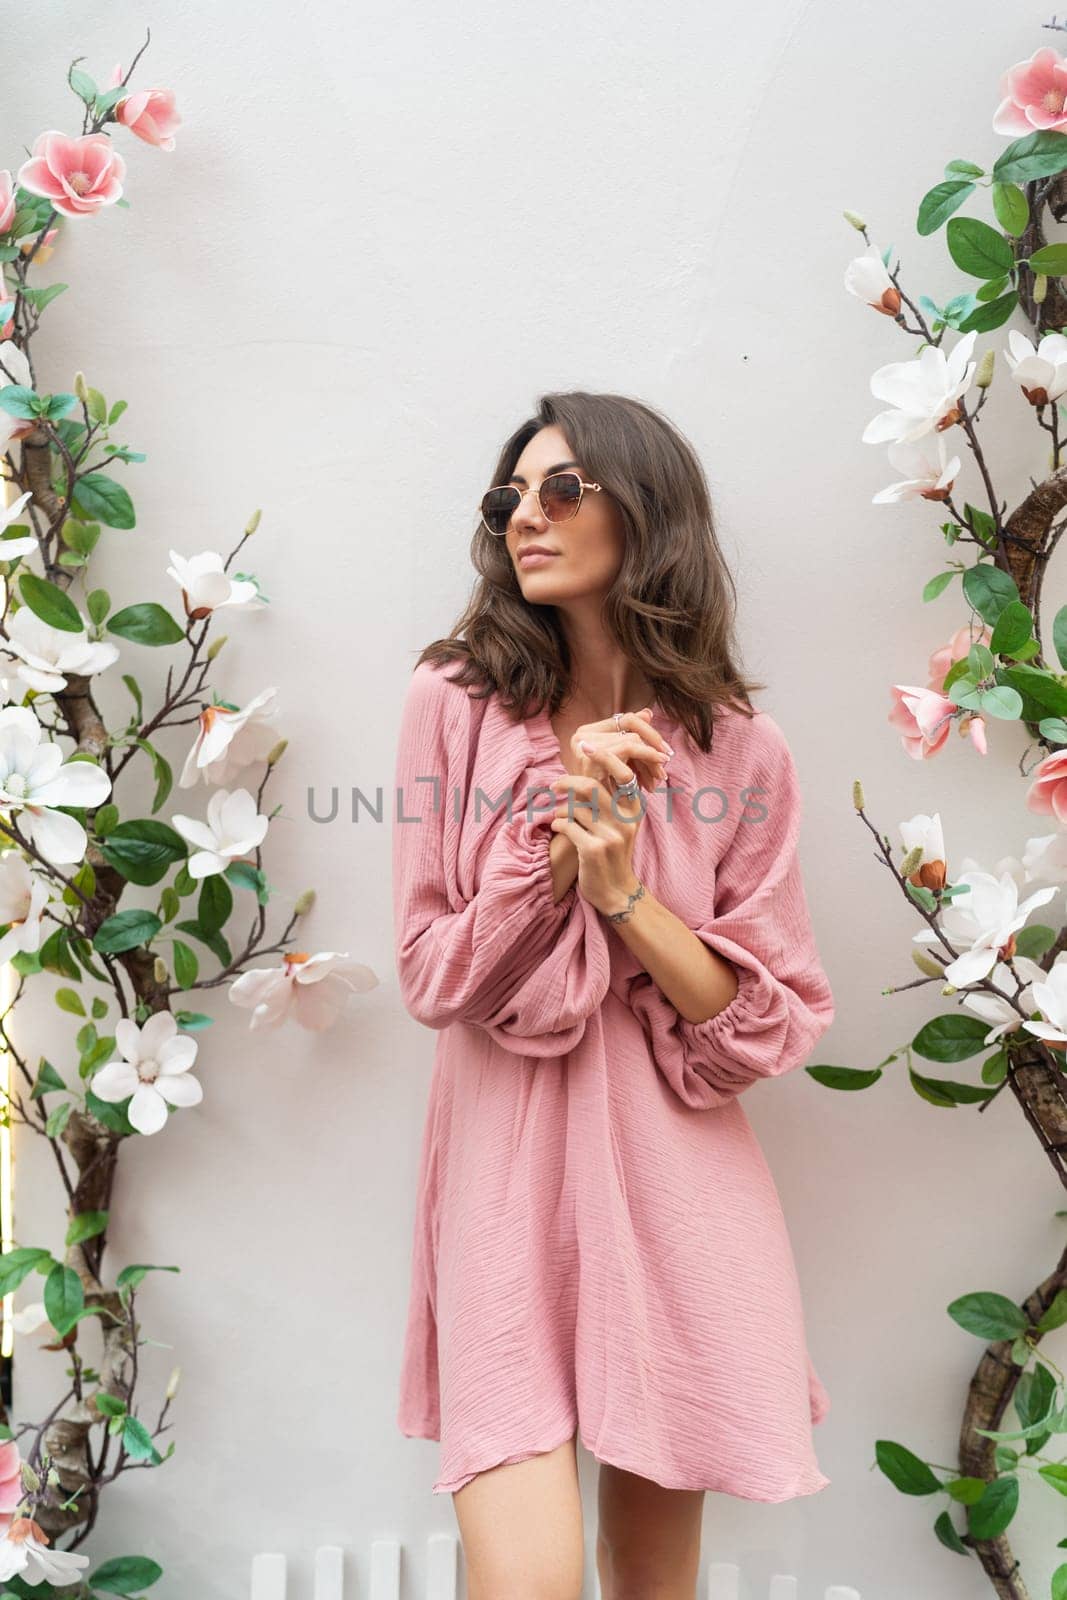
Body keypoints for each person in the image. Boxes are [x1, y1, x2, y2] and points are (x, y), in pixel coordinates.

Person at [391, 390, 836, 1600]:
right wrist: (552, 840)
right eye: (508, 498)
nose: (523, 519)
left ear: (643, 511)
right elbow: (434, 972)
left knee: (651, 1583)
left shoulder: (742, 751)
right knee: (525, 1582)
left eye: (560, 489)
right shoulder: (455, 702)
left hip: (675, 1184)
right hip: (504, 1171)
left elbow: (758, 1026)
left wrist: (626, 890)